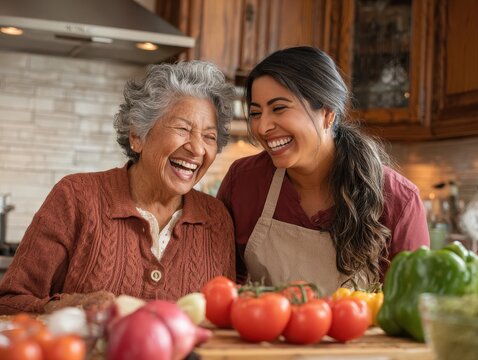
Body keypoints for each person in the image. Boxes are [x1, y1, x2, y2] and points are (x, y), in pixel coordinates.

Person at [0, 61, 236, 314]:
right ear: (137, 136)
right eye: (183, 128)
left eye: (209, 137)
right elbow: (9, 302)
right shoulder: (76, 196)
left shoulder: (216, 218)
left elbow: (225, 319)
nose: (198, 149)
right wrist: (64, 306)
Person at [217, 46, 430, 295]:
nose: (262, 127)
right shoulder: (244, 181)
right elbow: (224, 281)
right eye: (255, 113)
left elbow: (412, 306)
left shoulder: (398, 199)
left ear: (328, 114)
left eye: (279, 108)